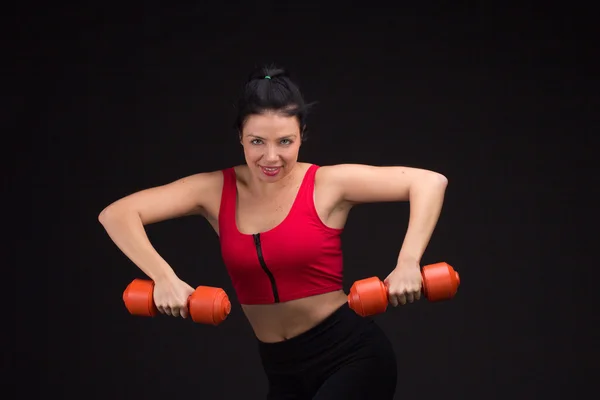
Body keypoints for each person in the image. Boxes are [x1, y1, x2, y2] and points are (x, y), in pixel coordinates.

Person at [98, 64, 448, 399]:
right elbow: (117, 214)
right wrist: (163, 277)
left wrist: (408, 262)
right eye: (257, 142)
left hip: (350, 355)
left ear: (301, 137)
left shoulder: (327, 184)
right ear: (240, 137)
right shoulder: (213, 190)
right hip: (282, 371)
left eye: (285, 142)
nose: (271, 157)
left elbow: (429, 182)